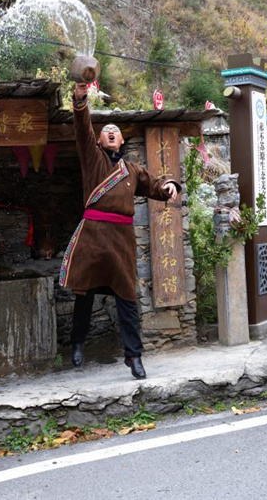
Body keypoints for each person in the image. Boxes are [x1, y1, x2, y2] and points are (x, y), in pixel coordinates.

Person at [59, 79, 181, 380]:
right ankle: (77, 343)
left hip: (122, 240)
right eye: (105, 132)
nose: (110, 132)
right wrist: (80, 101)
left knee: (127, 298)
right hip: (93, 236)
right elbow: (82, 127)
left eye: (115, 131)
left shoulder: (132, 170)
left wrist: (168, 185)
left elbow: (154, 183)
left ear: (122, 142)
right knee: (84, 294)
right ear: (99, 142)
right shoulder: (93, 160)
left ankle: (134, 356)